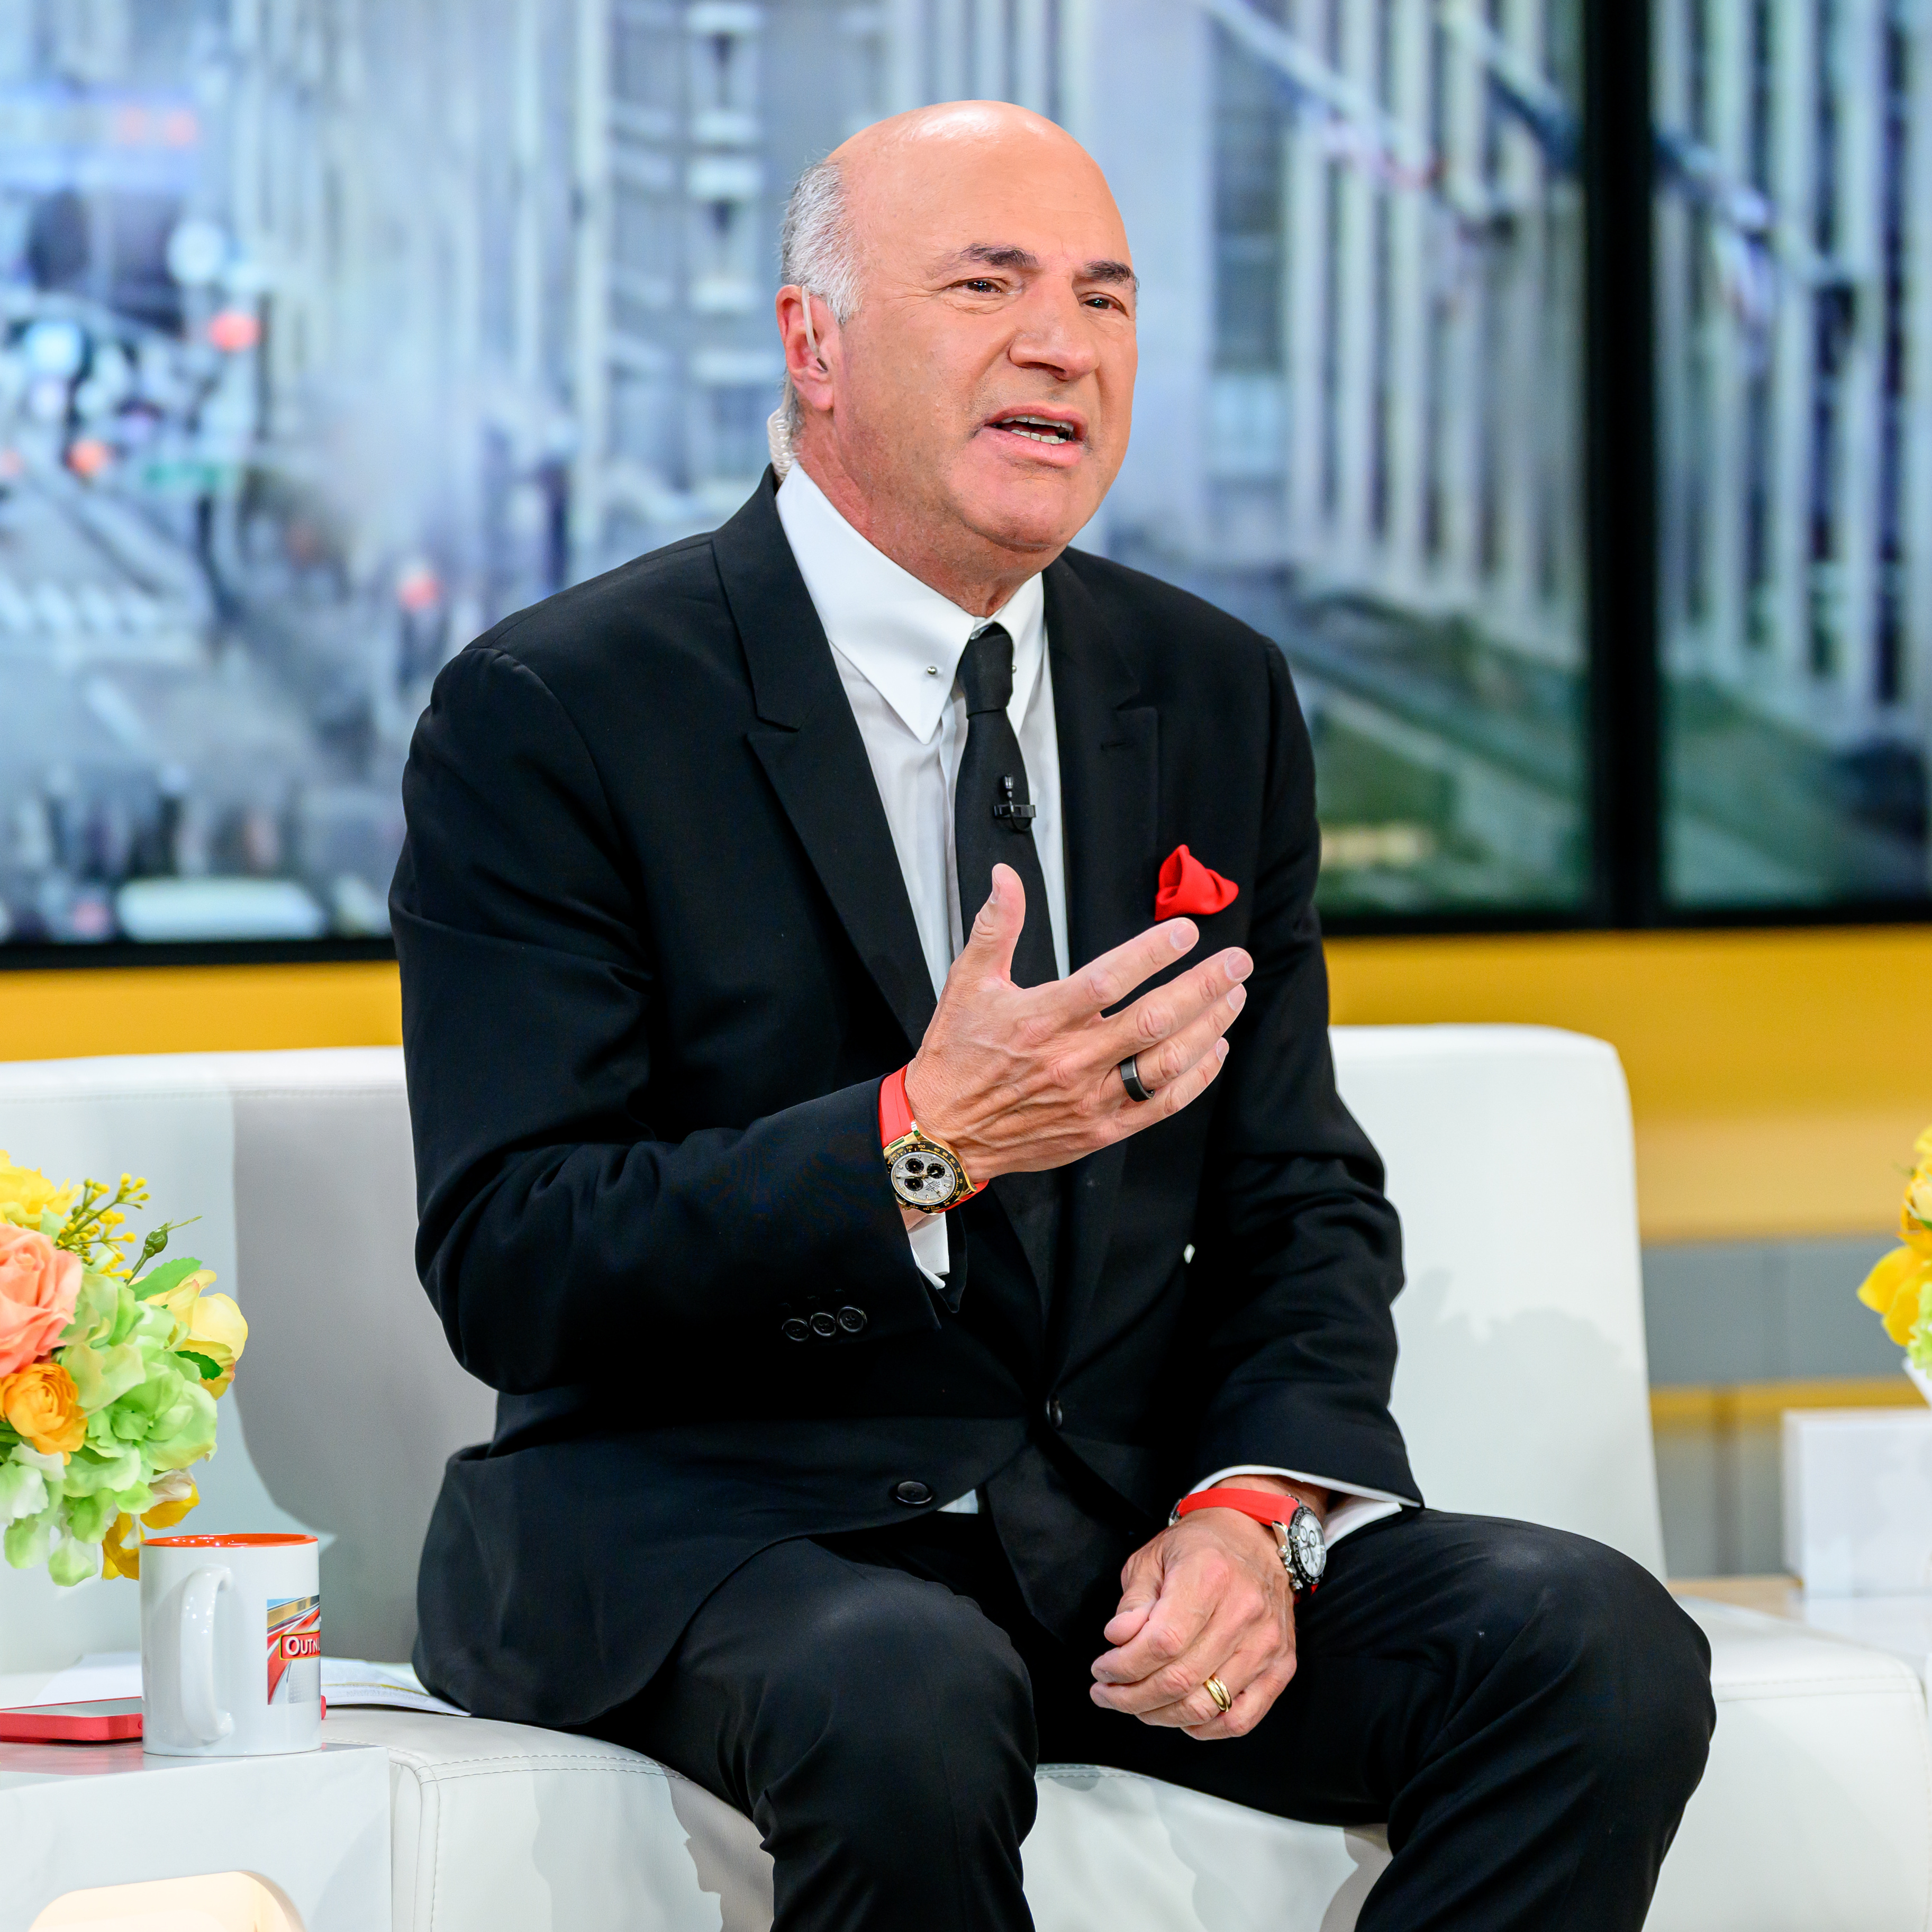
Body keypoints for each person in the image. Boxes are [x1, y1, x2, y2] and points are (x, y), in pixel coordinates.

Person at [392, 100, 1712, 1932]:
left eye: (1104, 297)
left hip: (1106, 1529)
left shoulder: (1208, 689)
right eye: (986, 283)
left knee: (1588, 1642)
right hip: (722, 1529)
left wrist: (1256, 1508)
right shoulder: (556, 705)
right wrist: (915, 1140)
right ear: (813, 345)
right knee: (901, 1691)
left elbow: (1295, 1191)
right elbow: (515, 1255)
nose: (1059, 344)